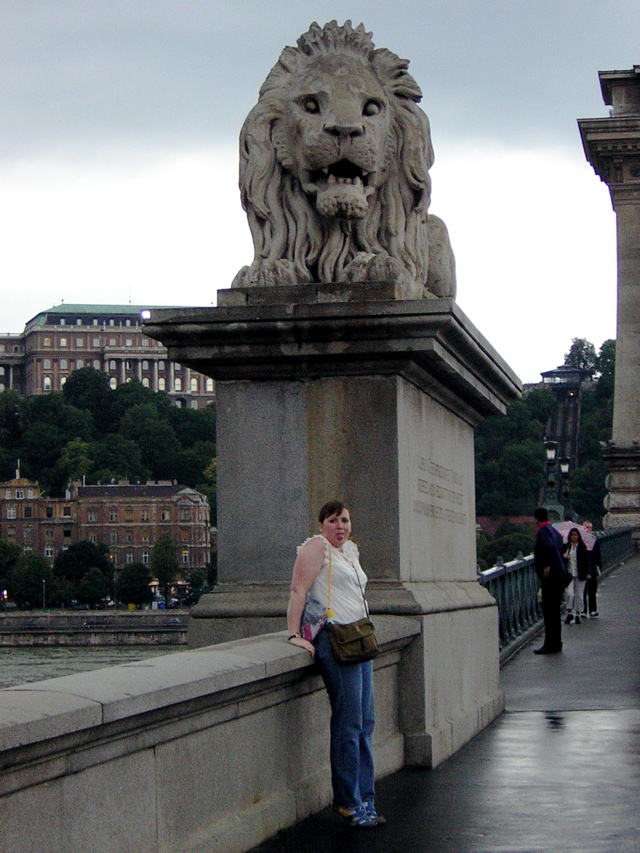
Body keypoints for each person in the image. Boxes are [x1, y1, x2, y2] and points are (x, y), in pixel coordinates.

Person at [286, 500, 385, 829]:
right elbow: (298, 590)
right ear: (321, 524)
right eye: (332, 520)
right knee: (348, 723)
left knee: (365, 722)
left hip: (358, 637)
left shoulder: (350, 551)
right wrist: (293, 634)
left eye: (344, 520)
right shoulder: (316, 548)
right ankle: (347, 802)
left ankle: (366, 796)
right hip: (333, 639)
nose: (339, 526)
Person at [533, 507, 569, 654]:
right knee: (555, 611)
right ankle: (556, 643)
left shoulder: (543, 532)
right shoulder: (554, 531)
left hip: (551, 577)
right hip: (559, 574)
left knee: (549, 612)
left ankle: (550, 644)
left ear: (536, 518)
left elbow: (547, 547)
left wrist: (546, 564)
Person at [563, 527, 590, 624]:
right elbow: (562, 561)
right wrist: (564, 557)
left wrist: (588, 573)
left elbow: (587, 561)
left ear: (578, 536)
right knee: (570, 594)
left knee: (579, 595)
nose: (573, 537)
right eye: (572, 535)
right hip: (569, 574)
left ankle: (578, 614)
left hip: (580, 574)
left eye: (575, 535)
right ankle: (569, 612)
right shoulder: (566, 547)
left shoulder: (582, 547)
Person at [582, 520, 601, 617]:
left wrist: (599, 567)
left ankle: (593, 610)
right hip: (582, 568)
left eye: (591, 528)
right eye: (587, 528)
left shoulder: (594, 540)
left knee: (592, 590)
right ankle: (583, 610)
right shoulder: (580, 541)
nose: (589, 529)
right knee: (582, 590)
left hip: (592, 567)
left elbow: (598, 555)